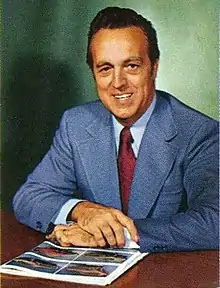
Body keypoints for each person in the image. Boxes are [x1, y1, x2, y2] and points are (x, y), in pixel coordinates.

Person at [13, 6, 219, 253]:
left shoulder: (199, 133)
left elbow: (214, 222)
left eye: (131, 66)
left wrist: (116, 235)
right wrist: (82, 211)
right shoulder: (76, 124)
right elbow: (29, 196)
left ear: (153, 68)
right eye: (105, 69)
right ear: (94, 74)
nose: (118, 83)